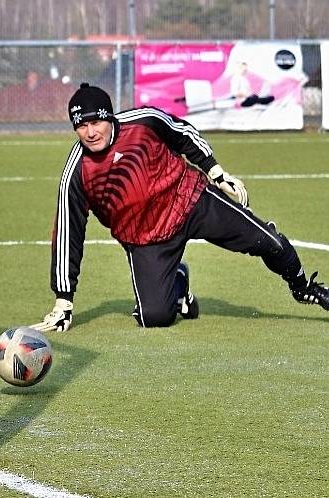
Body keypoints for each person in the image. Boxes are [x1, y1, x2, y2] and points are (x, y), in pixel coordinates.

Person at [33, 83, 329, 331]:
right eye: (81, 126)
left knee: (269, 242)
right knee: (154, 318)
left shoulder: (144, 121)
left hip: (190, 200)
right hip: (146, 239)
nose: (90, 132)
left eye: (95, 122)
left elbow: (183, 134)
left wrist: (216, 172)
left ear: (109, 117)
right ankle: (179, 281)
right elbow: (68, 234)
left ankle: (303, 287)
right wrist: (64, 300)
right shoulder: (77, 172)